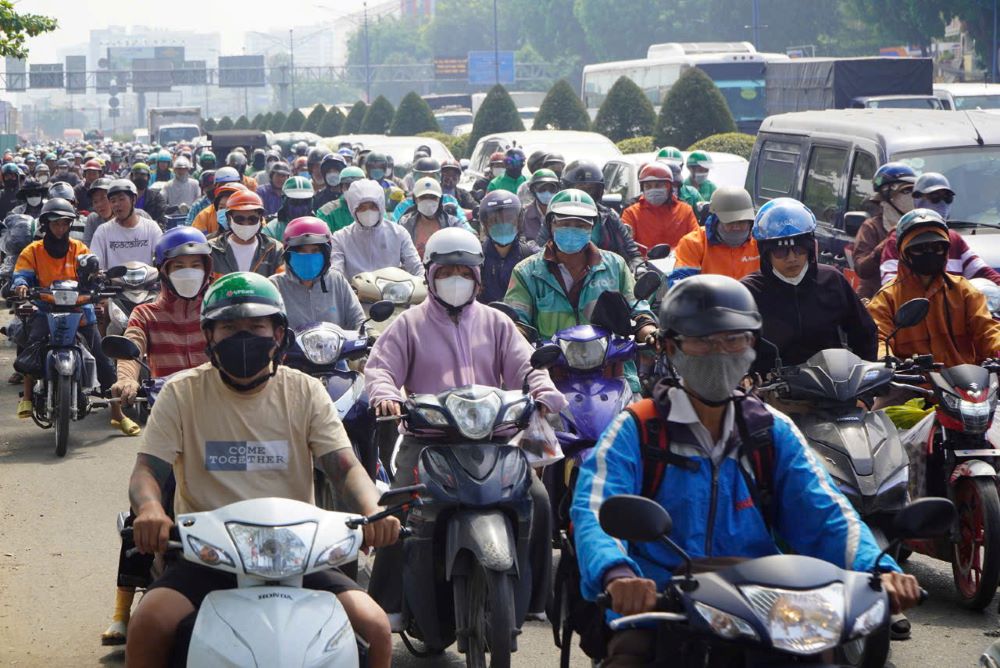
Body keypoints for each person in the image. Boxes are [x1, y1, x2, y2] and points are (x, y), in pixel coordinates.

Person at [570, 273, 920, 667]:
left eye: (734, 340)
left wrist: (878, 568)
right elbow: (596, 510)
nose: (720, 353)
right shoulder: (637, 428)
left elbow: (826, 513)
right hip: (662, 605)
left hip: (763, 603)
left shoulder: (770, 430)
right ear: (671, 347)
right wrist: (618, 574)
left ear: (752, 346)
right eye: (702, 341)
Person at [122, 272, 398, 668]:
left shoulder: (305, 391)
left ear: (278, 334)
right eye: (229, 327)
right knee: (149, 623)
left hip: (299, 556)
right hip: (207, 558)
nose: (243, 337)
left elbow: (344, 467)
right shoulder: (181, 393)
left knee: (375, 627)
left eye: (255, 327)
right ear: (209, 336)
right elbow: (147, 471)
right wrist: (150, 510)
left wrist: (373, 509)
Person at [365, 227, 565, 628]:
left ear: (477, 277)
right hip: (427, 440)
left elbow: (527, 367)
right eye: (445, 272)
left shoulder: (498, 323)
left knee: (539, 500)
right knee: (398, 506)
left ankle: (535, 598)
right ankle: (389, 604)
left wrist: (543, 391)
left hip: (495, 440)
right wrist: (385, 395)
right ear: (430, 275)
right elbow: (381, 369)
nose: (455, 279)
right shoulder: (408, 325)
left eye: (464, 272)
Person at [100, 226, 214, 645]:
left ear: (208, 269)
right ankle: (122, 610)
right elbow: (131, 349)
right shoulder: (146, 314)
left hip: (222, 422)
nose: (188, 273)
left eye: (196, 265)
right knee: (145, 509)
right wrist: (127, 380)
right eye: (179, 266)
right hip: (170, 429)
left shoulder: (217, 309)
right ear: (163, 272)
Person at [504, 189, 657, 392]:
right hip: (551, 380)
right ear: (550, 225)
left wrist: (651, 334)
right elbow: (517, 323)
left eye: (581, 225)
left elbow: (638, 312)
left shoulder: (615, 266)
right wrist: (513, 337)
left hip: (615, 377)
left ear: (592, 228)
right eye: (564, 223)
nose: (572, 229)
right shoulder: (526, 272)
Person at [10, 198, 126, 430]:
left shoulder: (78, 248)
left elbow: (93, 272)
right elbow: (21, 274)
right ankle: (27, 398)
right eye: (56, 224)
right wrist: (21, 284)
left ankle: (118, 413)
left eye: (64, 223)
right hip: (46, 309)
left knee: (103, 359)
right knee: (32, 348)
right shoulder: (33, 251)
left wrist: (98, 279)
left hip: (79, 310)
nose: (60, 228)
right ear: (46, 224)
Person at [741, 198, 877, 377]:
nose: (792, 258)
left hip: (833, 386)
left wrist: (866, 381)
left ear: (811, 248)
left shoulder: (833, 280)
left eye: (799, 249)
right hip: (770, 389)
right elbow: (733, 351)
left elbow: (864, 333)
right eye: (780, 251)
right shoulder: (748, 293)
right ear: (765, 254)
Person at [868, 208, 1000, 368]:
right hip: (911, 380)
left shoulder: (964, 290)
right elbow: (879, 338)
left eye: (937, 247)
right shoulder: (887, 298)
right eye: (919, 249)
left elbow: (987, 330)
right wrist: (884, 359)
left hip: (965, 380)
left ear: (946, 251)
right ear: (903, 253)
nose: (929, 253)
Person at [880, 171, 1000, 287]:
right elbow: (889, 283)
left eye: (947, 197)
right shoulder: (899, 238)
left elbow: (983, 273)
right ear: (917, 199)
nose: (942, 203)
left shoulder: (954, 238)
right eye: (934, 197)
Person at [538, 160, 643, 271]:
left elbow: (632, 254)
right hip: (561, 276)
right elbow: (540, 253)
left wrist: (639, 269)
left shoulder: (609, 217)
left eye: (591, 189)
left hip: (606, 278)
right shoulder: (554, 217)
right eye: (581, 189)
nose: (586, 195)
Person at [270, 217, 365, 331]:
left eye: (315, 250)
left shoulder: (336, 280)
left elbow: (358, 319)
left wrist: (370, 332)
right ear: (288, 254)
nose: (308, 257)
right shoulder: (274, 286)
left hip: (335, 343)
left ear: (326, 253)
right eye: (301, 251)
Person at [329, 179, 423, 279]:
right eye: (362, 207)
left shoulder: (399, 233)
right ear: (353, 209)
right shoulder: (341, 238)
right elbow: (336, 271)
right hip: (353, 288)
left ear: (381, 207)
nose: (368, 211)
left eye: (373, 206)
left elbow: (416, 266)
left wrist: (423, 282)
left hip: (392, 287)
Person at [852, 162, 916, 300]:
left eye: (914, 191)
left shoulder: (920, 224)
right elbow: (861, 268)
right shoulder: (871, 227)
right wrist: (889, 242)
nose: (912, 196)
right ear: (888, 194)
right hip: (878, 301)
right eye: (906, 191)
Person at [674, 186, 760, 280]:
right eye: (730, 222)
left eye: (742, 222)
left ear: (750, 222)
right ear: (715, 220)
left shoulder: (759, 243)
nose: (736, 227)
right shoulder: (693, 244)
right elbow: (681, 281)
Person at [621, 162, 699, 252]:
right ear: (643, 189)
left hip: (679, 259)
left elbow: (696, 240)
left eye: (658, 185)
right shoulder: (631, 213)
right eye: (648, 186)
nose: (653, 190)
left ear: (669, 187)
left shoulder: (685, 211)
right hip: (643, 260)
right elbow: (625, 245)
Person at [478, 189, 538, 303]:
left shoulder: (530, 256)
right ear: (485, 224)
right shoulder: (476, 258)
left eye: (509, 219)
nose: (503, 224)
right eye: (495, 220)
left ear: (519, 221)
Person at [208, 189, 283, 279]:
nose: (246, 224)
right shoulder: (211, 249)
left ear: (260, 219)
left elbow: (282, 282)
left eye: (252, 219)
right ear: (229, 219)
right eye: (239, 219)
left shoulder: (274, 250)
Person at [89, 179, 163, 270]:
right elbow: (96, 264)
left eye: (121, 199)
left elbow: (162, 259)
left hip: (147, 279)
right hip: (113, 280)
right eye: (113, 201)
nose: (117, 204)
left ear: (133, 199)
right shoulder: (103, 231)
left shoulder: (151, 228)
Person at [396, 177, 471, 258]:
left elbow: (465, 247)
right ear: (415, 199)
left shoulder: (453, 224)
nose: (428, 201)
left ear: (440, 200)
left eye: (433, 197)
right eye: (423, 197)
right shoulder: (405, 224)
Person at [390, 157, 469, 225]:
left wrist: (471, 232)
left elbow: (463, 223)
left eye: (432, 177)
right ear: (414, 178)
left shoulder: (450, 201)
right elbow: (395, 229)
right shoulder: (404, 205)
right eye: (422, 177)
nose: (427, 182)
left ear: (439, 178)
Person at [190, 167, 246, 236]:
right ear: (215, 187)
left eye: (233, 184)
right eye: (223, 184)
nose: (228, 187)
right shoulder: (205, 215)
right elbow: (197, 238)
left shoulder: (250, 211)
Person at [262, 175, 315, 242]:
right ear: (284, 200)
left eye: (305, 201)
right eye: (294, 201)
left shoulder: (320, 227)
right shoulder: (272, 230)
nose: (300, 207)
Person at [316, 166, 365, 233]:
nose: (353, 189)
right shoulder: (326, 213)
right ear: (342, 188)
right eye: (348, 185)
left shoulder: (374, 208)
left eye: (357, 186)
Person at [521, 168, 559, 243]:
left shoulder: (562, 214)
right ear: (533, 190)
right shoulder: (523, 215)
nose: (547, 193)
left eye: (551, 189)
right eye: (542, 189)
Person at [131, 163, 167, 228]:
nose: (140, 178)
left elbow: (161, 217)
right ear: (132, 177)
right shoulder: (125, 197)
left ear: (148, 177)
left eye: (143, 175)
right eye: (137, 175)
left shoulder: (156, 198)